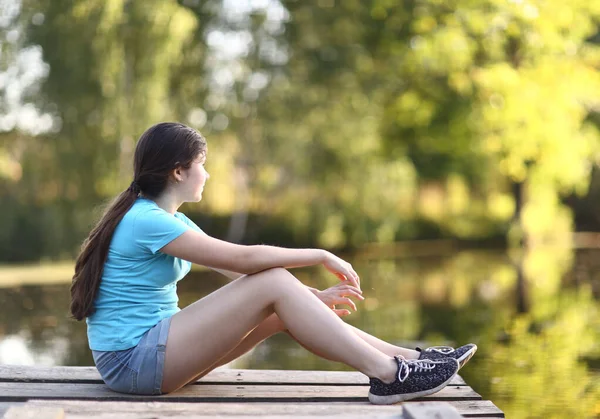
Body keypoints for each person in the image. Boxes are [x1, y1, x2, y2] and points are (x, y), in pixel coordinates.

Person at [69, 122, 476, 405]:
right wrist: (319, 255)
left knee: (280, 301)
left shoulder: (166, 220)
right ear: (178, 171)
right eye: (202, 164)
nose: (208, 174)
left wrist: (308, 297)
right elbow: (247, 259)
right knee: (275, 283)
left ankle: (407, 360)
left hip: (149, 355)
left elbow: (243, 273)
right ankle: (388, 376)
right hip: (133, 363)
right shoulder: (146, 220)